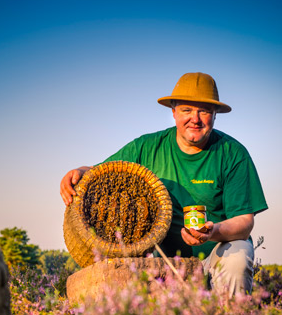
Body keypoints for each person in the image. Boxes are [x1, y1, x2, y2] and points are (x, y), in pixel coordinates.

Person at [60, 72, 268, 296]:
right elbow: (104, 173)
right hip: (162, 262)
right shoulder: (148, 147)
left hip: (216, 253)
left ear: (215, 114)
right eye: (187, 110)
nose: (195, 119)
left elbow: (245, 222)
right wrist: (79, 171)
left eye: (204, 111)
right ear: (174, 112)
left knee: (237, 257)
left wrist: (212, 232)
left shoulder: (233, 153)